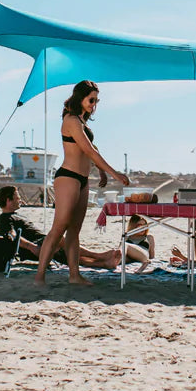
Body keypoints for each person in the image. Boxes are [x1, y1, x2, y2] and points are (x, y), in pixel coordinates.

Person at [34, 80, 130, 286]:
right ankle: (39, 277)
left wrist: (101, 172)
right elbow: (88, 150)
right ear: (80, 97)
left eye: (96, 100)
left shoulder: (82, 121)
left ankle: (74, 275)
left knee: (74, 231)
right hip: (68, 177)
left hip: (83, 180)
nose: (94, 104)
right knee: (59, 228)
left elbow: (92, 150)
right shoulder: (71, 120)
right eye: (91, 100)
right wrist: (114, 174)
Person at [0, 185, 121, 269]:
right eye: (17, 198)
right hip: (35, 247)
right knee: (59, 238)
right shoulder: (4, 219)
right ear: (8, 200)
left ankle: (104, 263)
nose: (20, 200)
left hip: (43, 243)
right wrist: (32, 247)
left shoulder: (16, 215)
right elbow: (12, 236)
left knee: (70, 257)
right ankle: (100, 256)